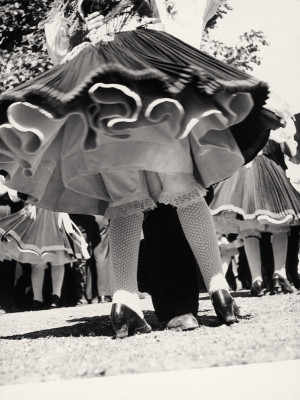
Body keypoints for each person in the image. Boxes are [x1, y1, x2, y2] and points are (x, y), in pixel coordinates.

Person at [0, 0, 288, 337]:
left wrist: (79, 39)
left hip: (95, 81)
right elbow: (186, 30)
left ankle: (124, 301)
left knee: (124, 200)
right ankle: (218, 285)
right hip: (147, 66)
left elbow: (59, 53)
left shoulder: (68, 9)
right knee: (184, 190)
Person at [210, 119, 300, 296]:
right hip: (268, 167)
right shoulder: (273, 115)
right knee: (279, 223)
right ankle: (279, 274)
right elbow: (290, 151)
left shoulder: (238, 115)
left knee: (248, 226)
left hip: (239, 171)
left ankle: (256, 279)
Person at [0, 196, 89, 309]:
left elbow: (15, 196)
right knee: (52, 257)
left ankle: (41, 299)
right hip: (46, 210)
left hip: (45, 210)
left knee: (46, 258)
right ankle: (51, 298)